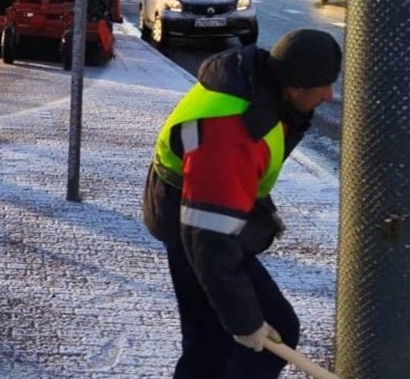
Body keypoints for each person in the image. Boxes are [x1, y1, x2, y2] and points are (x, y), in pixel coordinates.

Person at [142, 29, 342, 378]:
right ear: (295, 87)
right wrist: (245, 321)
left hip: (196, 208)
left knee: (210, 342)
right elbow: (208, 237)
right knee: (260, 333)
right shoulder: (234, 131)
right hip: (188, 222)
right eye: (323, 85)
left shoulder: (260, 83)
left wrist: (258, 208)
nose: (329, 95)